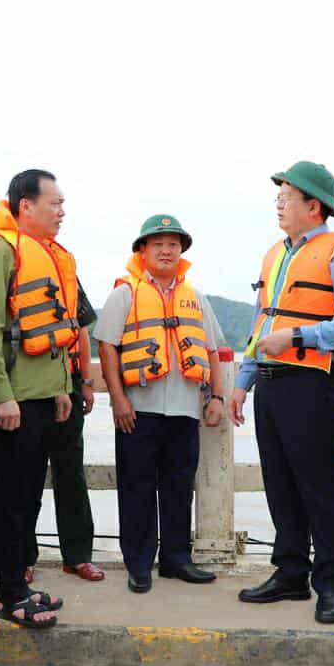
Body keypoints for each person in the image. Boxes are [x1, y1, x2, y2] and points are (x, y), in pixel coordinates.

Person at [230, 161, 334, 625]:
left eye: (286, 198)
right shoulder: (274, 255)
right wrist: (242, 381)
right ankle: (290, 573)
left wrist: (295, 339)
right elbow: (261, 321)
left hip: (312, 384)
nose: (279, 205)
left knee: (320, 485)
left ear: (314, 206)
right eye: (278, 198)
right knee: (280, 484)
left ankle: (330, 584)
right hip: (270, 385)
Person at [0, 169, 75, 628]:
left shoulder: (49, 256)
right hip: (11, 404)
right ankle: (8, 593)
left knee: (29, 496)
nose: (61, 211)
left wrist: (62, 388)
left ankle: (17, 583)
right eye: (54, 202)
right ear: (25, 206)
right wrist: (0, 395)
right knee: (10, 499)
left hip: (42, 398)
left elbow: (57, 330)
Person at [96, 214, 226, 593]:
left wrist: (215, 396)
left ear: (181, 251)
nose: (167, 250)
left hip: (185, 409)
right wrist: (118, 400)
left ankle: (176, 559)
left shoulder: (196, 297)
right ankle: (138, 564)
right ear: (142, 250)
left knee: (179, 486)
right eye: (158, 244)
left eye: (173, 244)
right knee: (136, 487)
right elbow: (106, 346)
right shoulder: (126, 293)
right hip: (139, 408)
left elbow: (212, 349)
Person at [24, 284, 105, 584]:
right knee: (25, 476)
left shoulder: (65, 272)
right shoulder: (9, 263)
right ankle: (21, 559)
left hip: (68, 382)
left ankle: (78, 556)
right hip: (26, 385)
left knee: (71, 473)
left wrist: (86, 381)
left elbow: (81, 331)